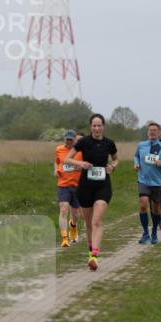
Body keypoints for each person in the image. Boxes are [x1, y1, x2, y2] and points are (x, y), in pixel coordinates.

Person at [64, 114, 118, 271]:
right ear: (90, 127)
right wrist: (80, 163)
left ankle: (94, 256)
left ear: (103, 126)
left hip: (103, 186)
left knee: (96, 221)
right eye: (94, 125)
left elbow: (115, 159)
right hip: (85, 186)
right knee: (88, 223)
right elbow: (67, 159)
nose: (96, 128)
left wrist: (112, 166)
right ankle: (90, 252)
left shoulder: (109, 143)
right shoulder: (83, 142)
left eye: (99, 125)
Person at [134, 121, 161, 245]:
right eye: (150, 130)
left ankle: (154, 232)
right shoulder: (141, 145)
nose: (152, 132)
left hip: (157, 182)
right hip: (143, 180)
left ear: (158, 133)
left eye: (155, 130)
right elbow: (136, 156)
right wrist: (136, 163)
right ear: (147, 132)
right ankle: (145, 233)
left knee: (156, 208)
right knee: (143, 204)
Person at [54, 129, 82, 248]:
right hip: (63, 185)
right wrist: (55, 169)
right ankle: (65, 238)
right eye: (67, 139)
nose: (69, 141)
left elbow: (84, 165)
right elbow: (57, 162)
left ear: (75, 140)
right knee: (64, 209)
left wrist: (78, 167)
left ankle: (73, 227)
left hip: (76, 185)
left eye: (71, 139)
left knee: (75, 214)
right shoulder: (59, 149)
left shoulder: (80, 151)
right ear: (64, 139)